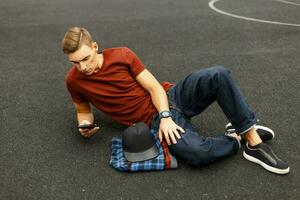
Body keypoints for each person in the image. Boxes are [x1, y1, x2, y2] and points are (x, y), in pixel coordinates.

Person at [61, 26, 290, 174]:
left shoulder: (122, 55)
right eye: (74, 63)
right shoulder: (74, 81)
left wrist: (166, 116)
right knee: (198, 154)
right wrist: (84, 125)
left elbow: (154, 88)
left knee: (217, 74)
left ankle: (253, 142)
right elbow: (83, 110)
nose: (82, 67)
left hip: (170, 96)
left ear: (94, 47)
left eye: (85, 59)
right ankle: (235, 138)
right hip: (151, 121)